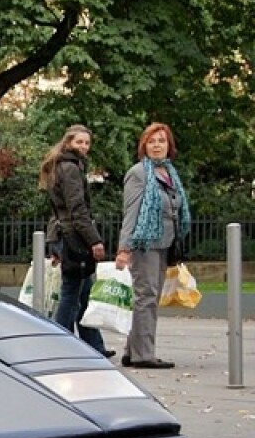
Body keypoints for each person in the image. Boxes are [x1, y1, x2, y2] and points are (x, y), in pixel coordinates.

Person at [115, 122, 191, 369]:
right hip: (144, 243)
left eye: (162, 141)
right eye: (152, 141)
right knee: (146, 297)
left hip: (165, 243)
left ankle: (131, 351)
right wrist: (124, 249)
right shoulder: (139, 173)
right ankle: (144, 355)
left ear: (169, 146)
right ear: (144, 146)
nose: (157, 146)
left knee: (149, 297)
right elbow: (131, 212)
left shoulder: (169, 173)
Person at [40, 125, 113, 357]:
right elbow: (76, 209)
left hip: (64, 235)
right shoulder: (70, 168)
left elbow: (56, 211)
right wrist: (95, 240)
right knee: (72, 293)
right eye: (79, 142)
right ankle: (61, 343)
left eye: (87, 143)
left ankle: (94, 346)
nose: (84, 147)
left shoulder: (58, 166)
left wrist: (54, 242)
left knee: (84, 293)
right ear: (68, 142)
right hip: (74, 237)